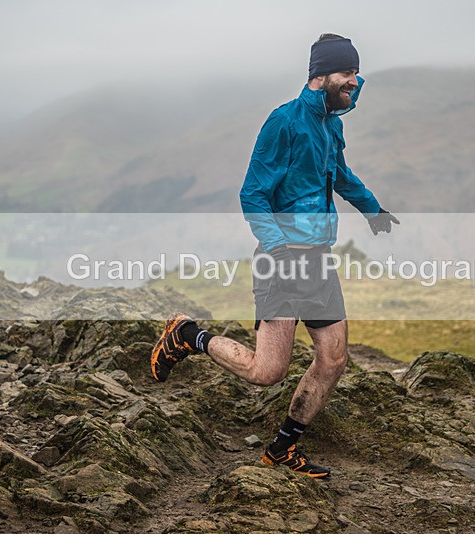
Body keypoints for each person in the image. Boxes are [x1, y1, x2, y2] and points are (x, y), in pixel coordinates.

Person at [150, 33, 399, 479]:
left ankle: (282, 449)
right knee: (267, 371)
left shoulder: (331, 125)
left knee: (333, 360)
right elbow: (253, 194)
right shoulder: (283, 122)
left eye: (357, 73)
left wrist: (372, 209)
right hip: (282, 259)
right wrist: (278, 247)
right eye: (348, 72)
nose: (355, 81)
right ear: (321, 75)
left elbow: (340, 174)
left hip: (317, 259)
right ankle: (188, 335)